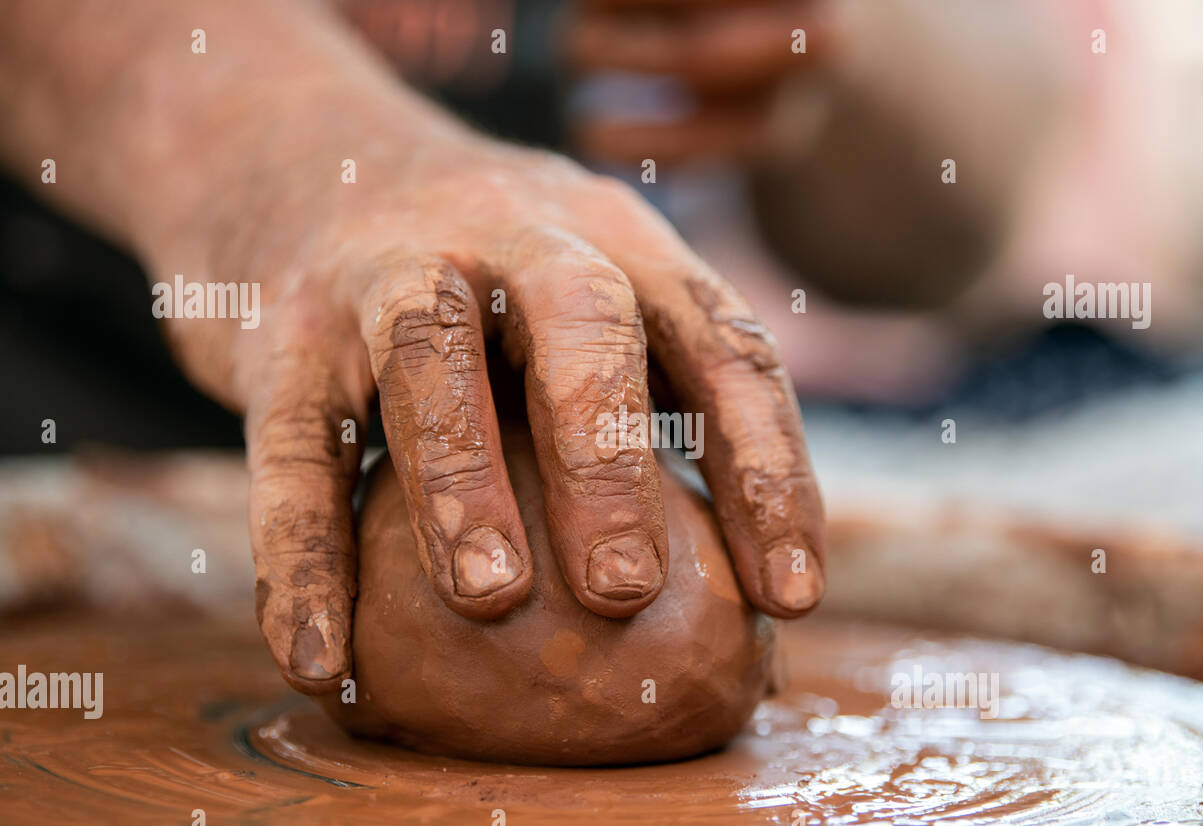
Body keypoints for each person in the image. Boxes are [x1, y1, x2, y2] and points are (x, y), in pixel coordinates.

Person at [0, 0, 827, 694]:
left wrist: (826, 48)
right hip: (79, 388)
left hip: (564, 357)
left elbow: (932, 241)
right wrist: (296, 157)